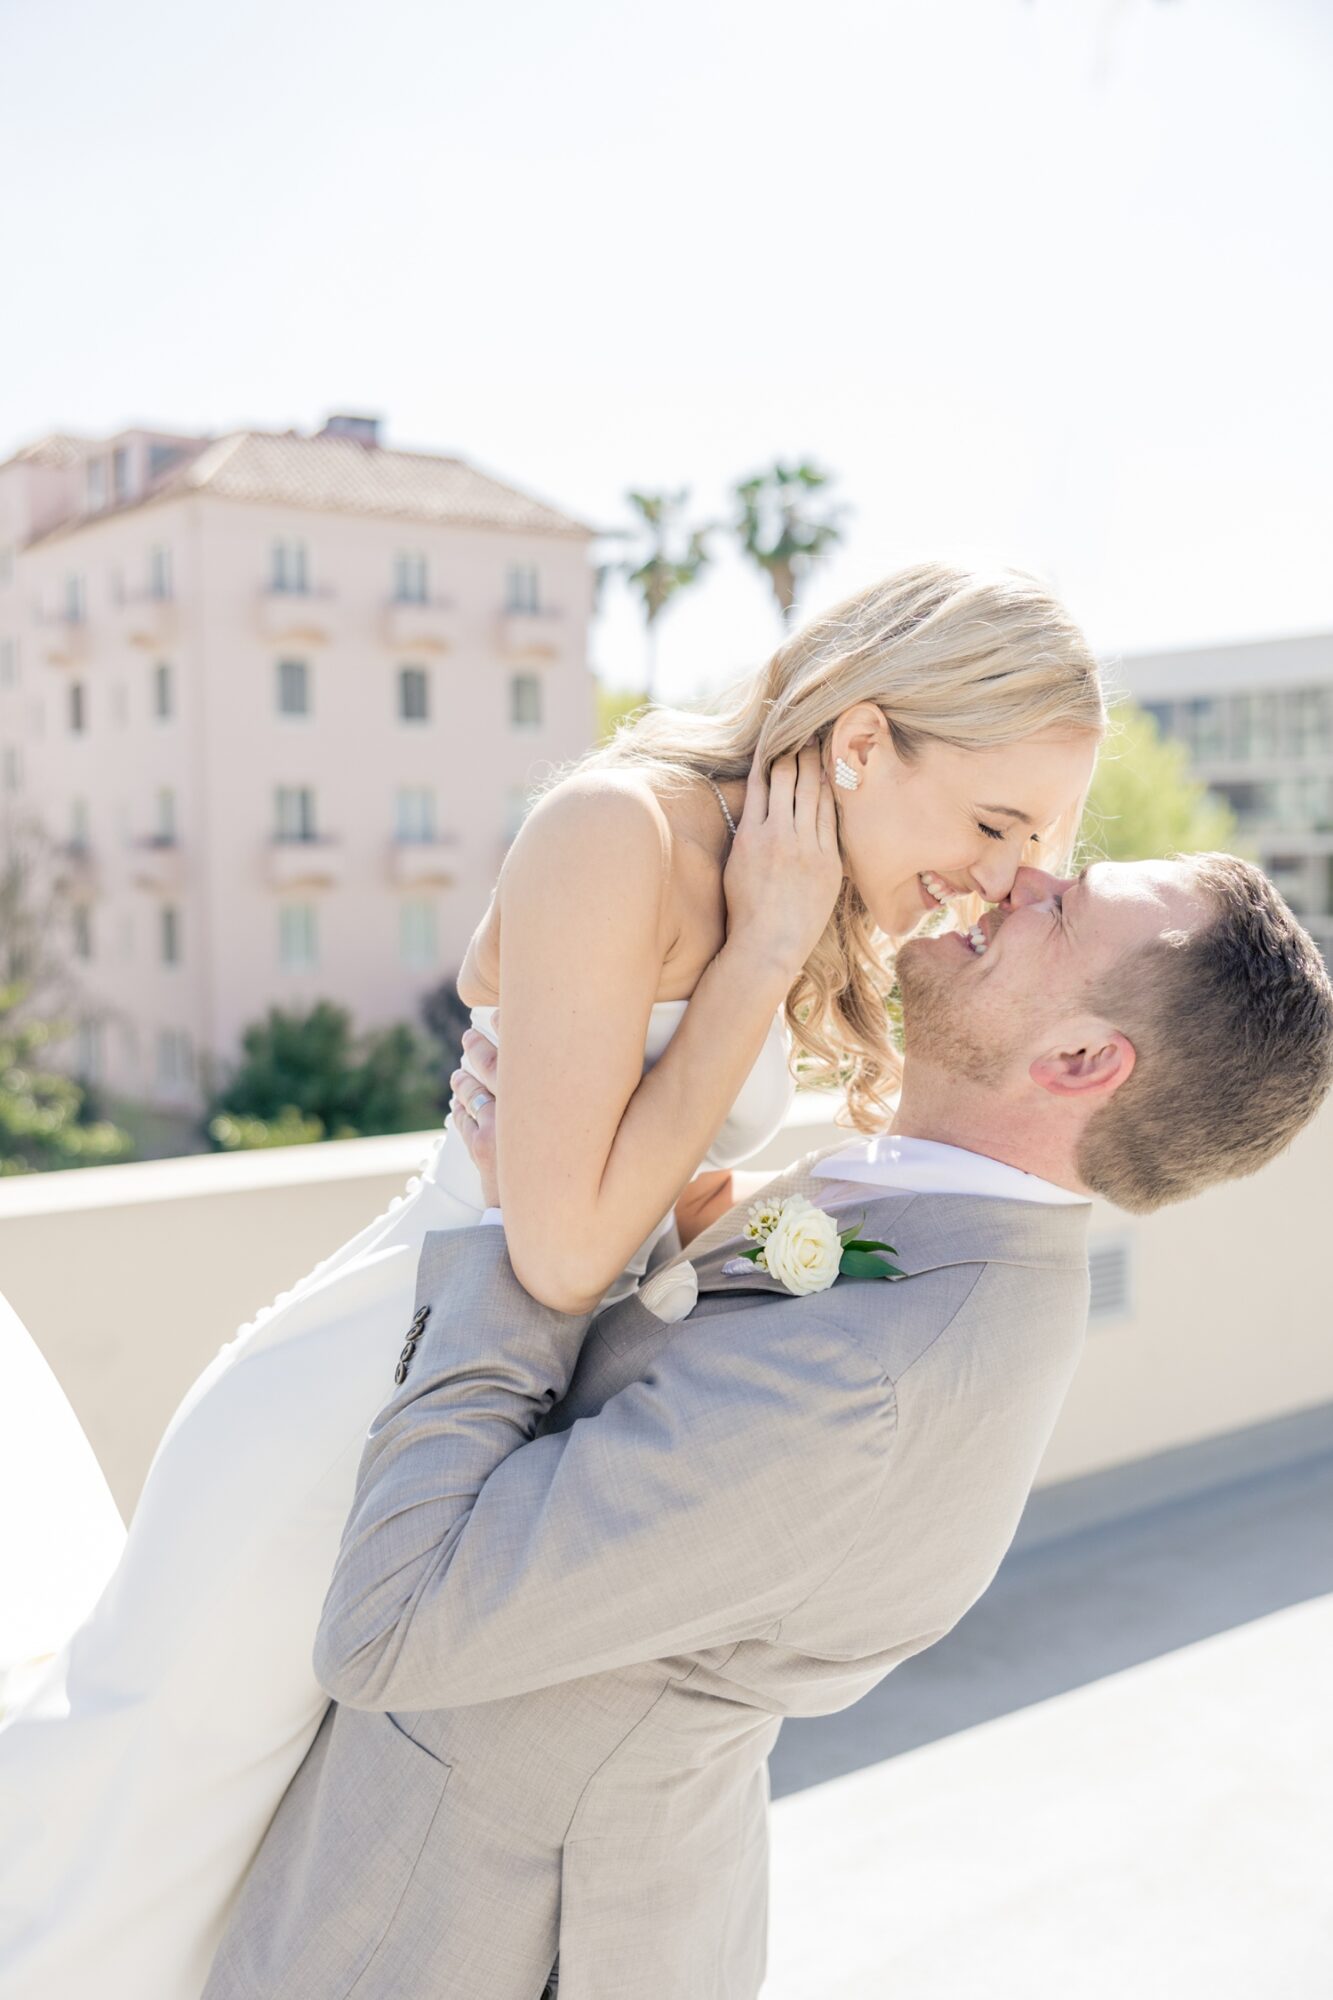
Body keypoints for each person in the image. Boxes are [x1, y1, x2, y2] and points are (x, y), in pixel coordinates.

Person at [0, 563, 1106, 2000]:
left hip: (470, 1424)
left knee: (208, 1891)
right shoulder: (618, 828)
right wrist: (757, 954)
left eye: (1036, 852)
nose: (1000, 878)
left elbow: (627, 1192)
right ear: (857, 742)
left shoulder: (783, 881)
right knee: (124, 1833)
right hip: (361, 1401)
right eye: (993, 821)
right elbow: (562, 1251)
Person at [203, 852, 1333, 2000]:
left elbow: (394, 1624)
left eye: (1064, 906)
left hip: (456, 1928)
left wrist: (517, 1229)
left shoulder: (874, 1376)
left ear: (1082, 1060)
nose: (1024, 874)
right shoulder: (928, 1214)